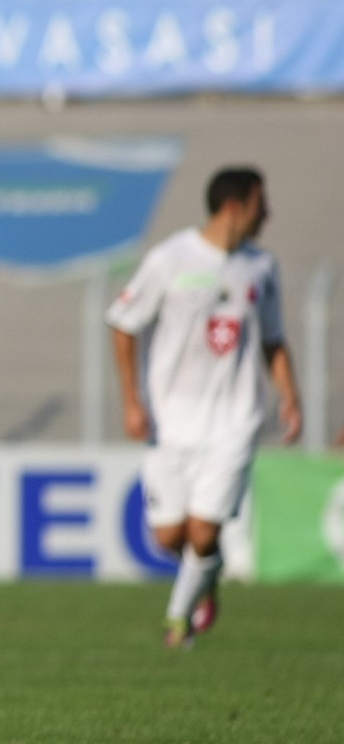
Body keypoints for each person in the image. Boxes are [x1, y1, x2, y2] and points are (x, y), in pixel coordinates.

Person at [107, 166, 300, 649]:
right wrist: (131, 401)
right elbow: (123, 323)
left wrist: (290, 397)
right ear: (234, 206)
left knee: (203, 531)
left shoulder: (261, 266)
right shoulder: (170, 258)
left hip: (235, 420)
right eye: (261, 204)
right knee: (169, 537)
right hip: (171, 420)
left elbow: (273, 340)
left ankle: (178, 623)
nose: (268, 214)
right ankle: (206, 579)